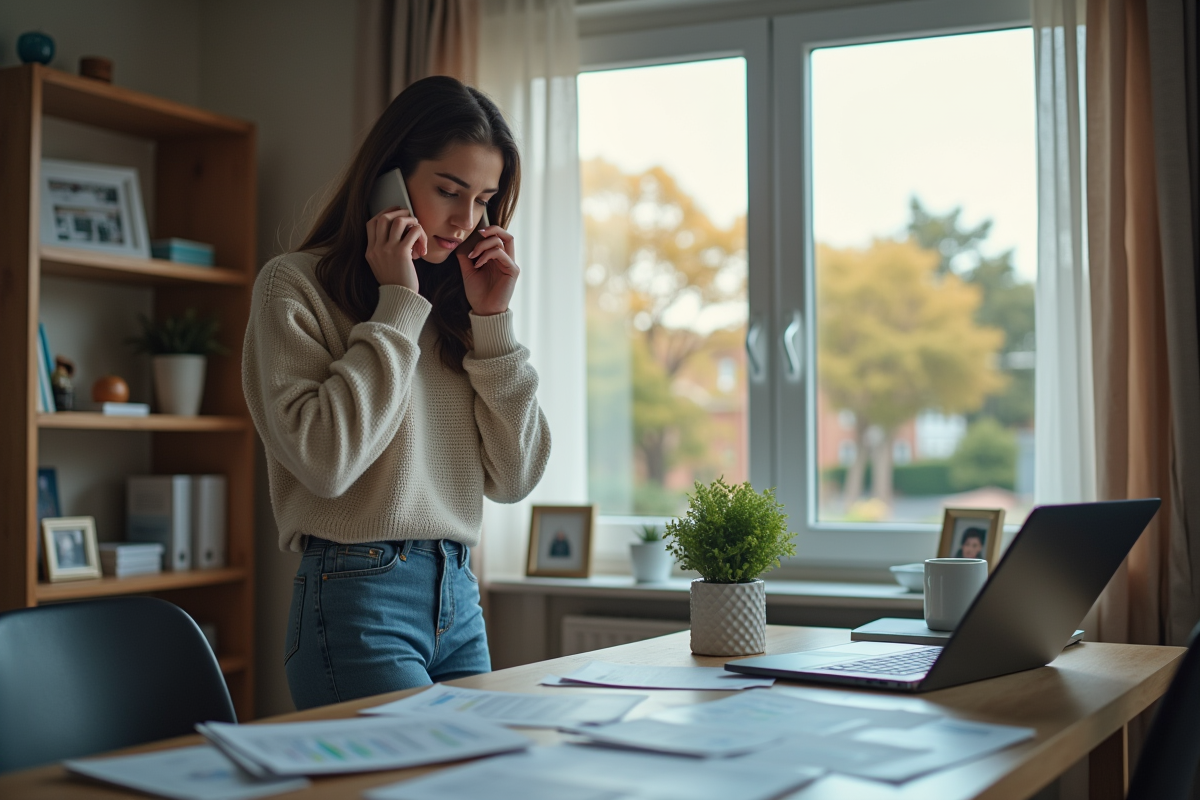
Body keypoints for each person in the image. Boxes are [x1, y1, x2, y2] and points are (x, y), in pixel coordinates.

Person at [242, 76, 551, 710]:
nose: (465, 222)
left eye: (484, 200)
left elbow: (515, 478)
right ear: (389, 179)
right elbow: (326, 463)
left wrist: (493, 326)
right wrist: (397, 307)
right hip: (357, 595)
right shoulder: (292, 287)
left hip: (458, 595)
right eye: (448, 191)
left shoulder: (460, 306)